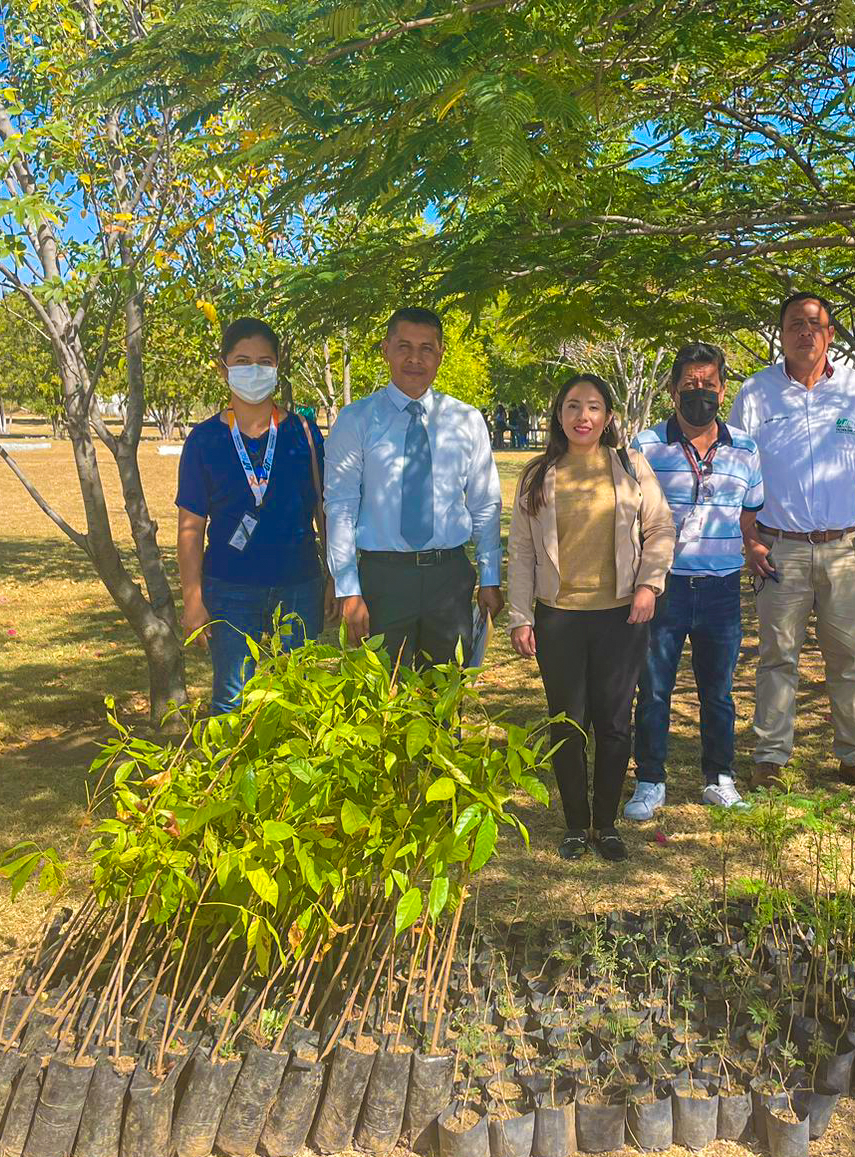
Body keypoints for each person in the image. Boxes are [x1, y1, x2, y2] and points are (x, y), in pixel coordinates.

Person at [731, 293, 855, 796]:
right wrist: (749, 540)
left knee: (847, 658)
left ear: (830, 334)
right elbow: (738, 471)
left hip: (844, 549)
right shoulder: (756, 393)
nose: (806, 332)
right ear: (780, 334)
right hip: (778, 550)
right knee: (777, 656)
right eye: (795, 324)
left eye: (815, 324)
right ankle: (770, 758)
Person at [507, 374, 675, 862]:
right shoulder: (537, 474)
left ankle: (608, 823)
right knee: (568, 725)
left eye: (595, 407)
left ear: (607, 417)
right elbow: (520, 551)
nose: (584, 416)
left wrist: (649, 584)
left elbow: (661, 526)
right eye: (573, 406)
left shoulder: (630, 467)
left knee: (614, 723)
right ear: (559, 414)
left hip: (620, 616)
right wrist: (521, 616)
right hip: (558, 618)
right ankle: (577, 825)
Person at [625, 342, 764, 820]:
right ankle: (650, 779)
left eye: (708, 385)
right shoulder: (645, 446)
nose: (699, 393)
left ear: (723, 389)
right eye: (690, 386)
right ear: (672, 390)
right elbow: (627, 516)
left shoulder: (745, 447)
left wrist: (755, 548)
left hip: (722, 588)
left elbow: (750, 514)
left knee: (718, 690)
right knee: (655, 686)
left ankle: (719, 777)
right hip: (663, 587)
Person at [323, 306, 503, 669]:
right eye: (404, 346)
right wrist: (349, 588)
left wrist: (490, 577)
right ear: (385, 349)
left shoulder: (466, 420)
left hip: (448, 579)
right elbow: (340, 506)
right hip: (383, 581)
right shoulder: (356, 420)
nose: (415, 359)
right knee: (381, 705)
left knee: (444, 701)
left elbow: (485, 503)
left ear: (440, 355)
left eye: (426, 349)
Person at [176, 317, 327, 714]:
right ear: (223, 367)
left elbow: (323, 513)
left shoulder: (304, 434)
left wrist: (333, 579)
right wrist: (193, 599)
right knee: (231, 698)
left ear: (278, 367)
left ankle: (291, 778)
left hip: (300, 585)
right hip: (229, 589)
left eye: (264, 361)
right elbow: (191, 528)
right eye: (242, 361)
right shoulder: (204, 440)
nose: (254, 371)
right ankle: (229, 776)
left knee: (297, 698)